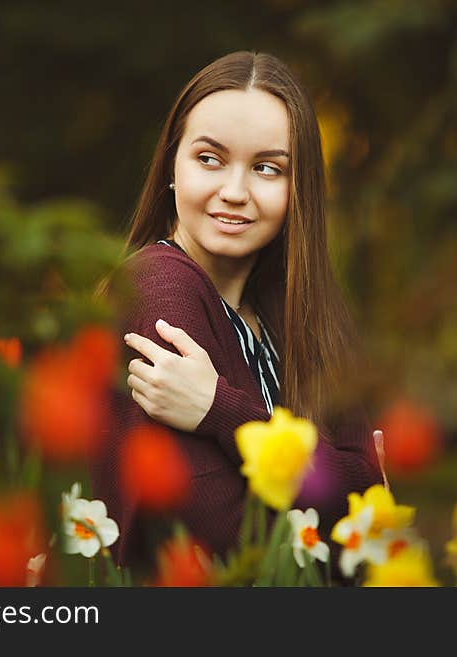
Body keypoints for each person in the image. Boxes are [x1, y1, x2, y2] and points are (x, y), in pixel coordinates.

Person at [91, 51, 384, 575]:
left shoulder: (295, 312)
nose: (234, 192)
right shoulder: (159, 287)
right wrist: (335, 504)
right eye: (209, 159)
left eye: (267, 169)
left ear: (300, 191)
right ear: (172, 167)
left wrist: (221, 410)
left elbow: (367, 493)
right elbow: (223, 533)